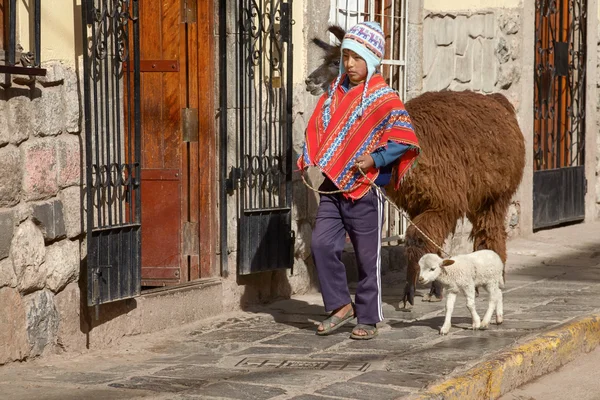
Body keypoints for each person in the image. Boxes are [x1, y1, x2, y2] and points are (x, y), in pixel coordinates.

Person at [297, 21, 420, 340]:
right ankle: (339, 306)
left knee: (368, 257)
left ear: (372, 59)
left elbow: (403, 137)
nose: (350, 64)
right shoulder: (335, 94)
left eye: (357, 57)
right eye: (346, 56)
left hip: (364, 189)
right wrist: (309, 152)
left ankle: (367, 316)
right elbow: (318, 126)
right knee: (321, 244)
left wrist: (375, 159)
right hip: (331, 186)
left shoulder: (385, 98)